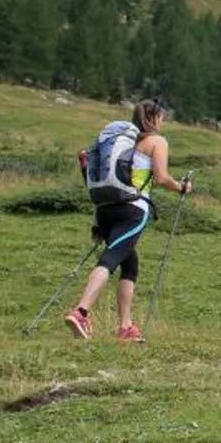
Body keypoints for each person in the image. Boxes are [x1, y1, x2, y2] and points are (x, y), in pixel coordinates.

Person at [68, 100, 190, 342]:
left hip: (104, 211)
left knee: (130, 264)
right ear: (154, 118)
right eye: (162, 118)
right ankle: (81, 311)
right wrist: (181, 187)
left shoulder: (123, 142)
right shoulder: (156, 141)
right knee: (111, 259)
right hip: (132, 210)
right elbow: (162, 178)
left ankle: (125, 328)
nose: (163, 123)